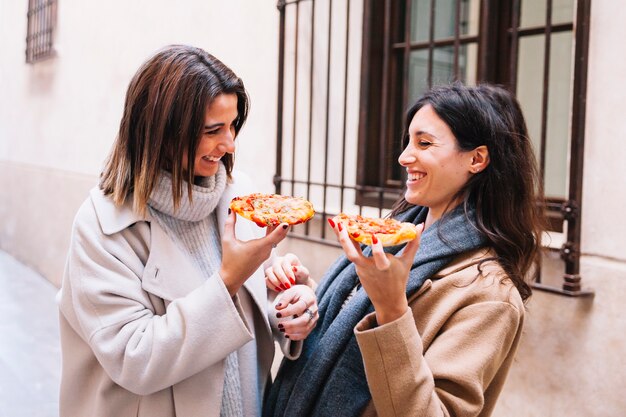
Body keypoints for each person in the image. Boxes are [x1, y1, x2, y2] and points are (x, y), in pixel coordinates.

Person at [57, 45, 318, 417]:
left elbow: (260, 300)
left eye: (232, 126)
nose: (228, 145)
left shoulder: (240, 194)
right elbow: (135, 359)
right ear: (160, 133)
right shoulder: (102, 224)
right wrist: (228, 279)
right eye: (212, 130)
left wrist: (292, 306)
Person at [263, 83, 545, 417]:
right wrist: (310, 297)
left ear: (476, 158)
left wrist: (392, 309)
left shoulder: (489, 294)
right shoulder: (394, 235)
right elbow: (345, 335)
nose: (403, 157)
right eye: (408, 141)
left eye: (424, 143)